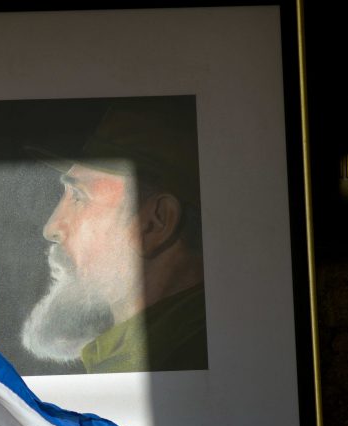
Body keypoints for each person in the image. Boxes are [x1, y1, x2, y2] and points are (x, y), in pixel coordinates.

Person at [19, 97, 208, 374]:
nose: (52, 227)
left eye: (79, 196)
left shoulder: (176, 359)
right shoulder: (166, 350)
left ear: (155, 223)